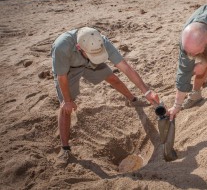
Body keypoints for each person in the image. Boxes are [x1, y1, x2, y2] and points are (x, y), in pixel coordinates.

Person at [51, 27, 160, 166]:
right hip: (68, 70)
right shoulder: (61, 47)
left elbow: (125, 67)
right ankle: (65, 148)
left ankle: (133, 100)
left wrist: (146, 91)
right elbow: (61, 77)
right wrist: (67, 100)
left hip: (90, 61)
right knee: (65, 107)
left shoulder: (99, 41)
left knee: (113, 78)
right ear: (79, 47)